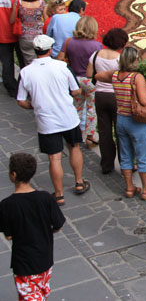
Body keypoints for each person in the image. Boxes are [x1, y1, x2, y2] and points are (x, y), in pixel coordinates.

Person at [17, 35, 90, 206]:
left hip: (45, 120)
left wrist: (34, 106)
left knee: (54, 158)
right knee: (75, 148)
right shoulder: (62, 66)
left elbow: (21, 100)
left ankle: (59, 194)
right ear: (50, 50)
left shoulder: (25, 72)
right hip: (67, 116)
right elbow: (76, 91)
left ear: (35, 51)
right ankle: (79, 182)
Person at [95, 47, 146, 200]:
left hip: (121, 119)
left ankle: (129, 188)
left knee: (125, 155)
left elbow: (98, 76)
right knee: (143, 155)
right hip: (135, 121)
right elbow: (144, 100)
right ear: (134, 60)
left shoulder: (116, 75)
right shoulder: (136, 77)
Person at [0, 153, 65, 301]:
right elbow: (58, 225)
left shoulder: (7, 205)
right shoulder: (46, 197)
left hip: (24, 262)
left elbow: (9, 235)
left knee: (29, 296)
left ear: (13, 174)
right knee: (42, 291)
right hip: (45, 258)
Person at [86, 28, 127, 174]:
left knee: (104, 131)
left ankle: (107, 164)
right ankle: (125, 165)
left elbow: (89, 74)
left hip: (100, 95)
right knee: (120, 131)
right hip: (117, 96)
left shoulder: (96, 55)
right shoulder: (120, 59)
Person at [57, 16, 102, 147]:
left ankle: (75, 133)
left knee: (77, 106)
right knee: (91, 108)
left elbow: (60, 59)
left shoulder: (69, 42)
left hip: (74, 79)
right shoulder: (96, 45)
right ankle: (90, 136)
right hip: (89, 80)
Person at [9, 0, 46, 66]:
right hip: (39, 36)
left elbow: (12, 20)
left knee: (29, 63)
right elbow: (46, 19)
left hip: (24, 36)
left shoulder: (18, 3)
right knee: (41, 61)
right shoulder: (41, 3)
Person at [0, 0, 23, 98]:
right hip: (16, 33)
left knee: (7, 63)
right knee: (22, 61)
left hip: (1, 35)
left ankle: (11, 88)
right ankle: (22, 86)